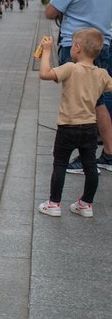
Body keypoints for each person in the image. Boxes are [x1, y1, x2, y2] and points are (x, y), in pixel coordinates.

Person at [45, 0, 112, 174]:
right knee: (98, 101)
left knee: (80, 102)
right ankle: (108, 154)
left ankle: (85, 157)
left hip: (76, 47)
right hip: (103, 44)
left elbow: (50, 12)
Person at [36, 30, 112, 217]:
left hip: (67, 126)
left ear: (77, 48)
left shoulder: (70, 68)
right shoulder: (102, 73)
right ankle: (86, 204)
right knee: (90, 165)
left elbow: (45, 73)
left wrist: (46, 51)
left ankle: (54, 204)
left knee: (60, 163)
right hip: (89, 128)